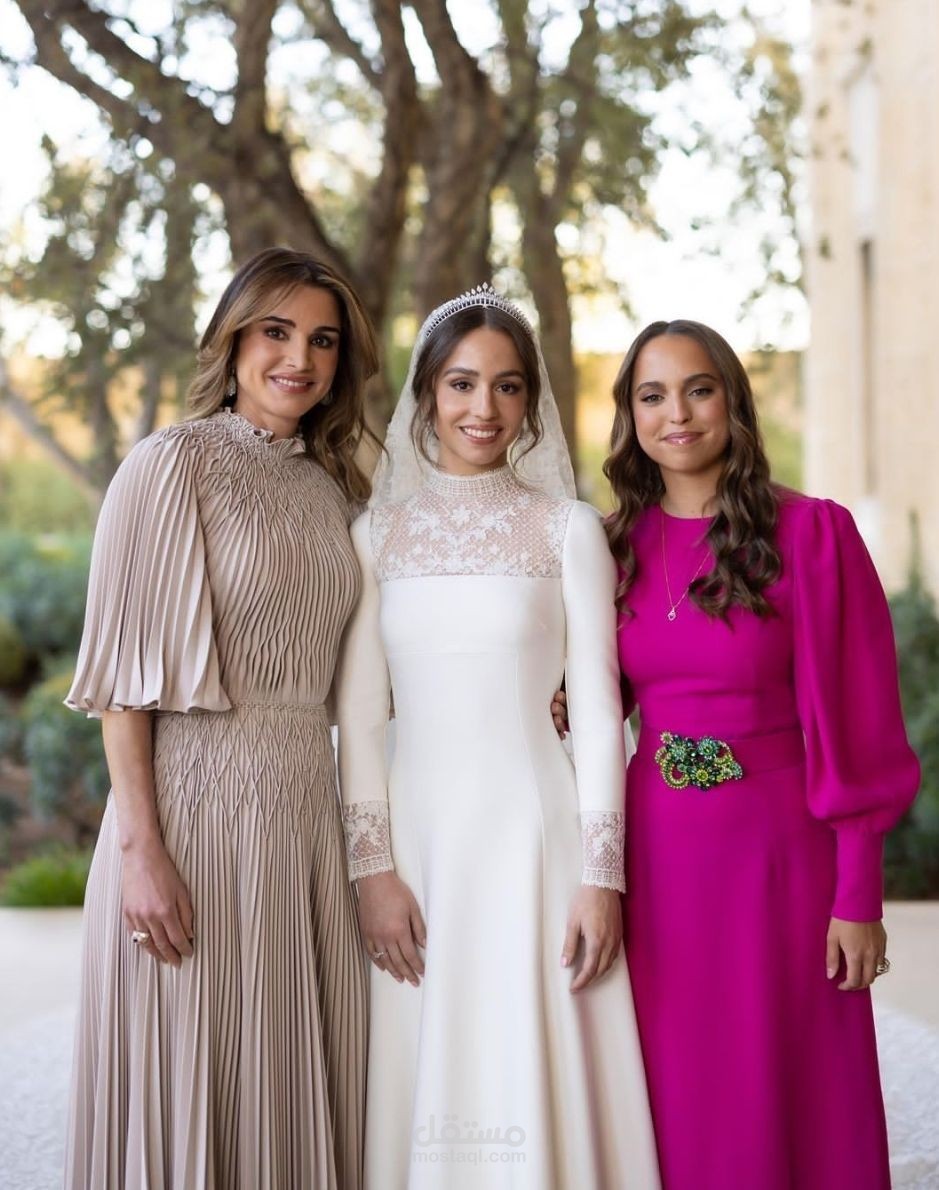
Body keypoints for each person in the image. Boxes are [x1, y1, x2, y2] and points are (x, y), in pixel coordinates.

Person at [64, 247, 379, 1189]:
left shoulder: (336, 489)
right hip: (190, 818)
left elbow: (373, 662)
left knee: (291, 1085)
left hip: (305, 818)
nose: (300, 358)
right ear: (233, 340)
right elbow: (123, 687)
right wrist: (140, 852)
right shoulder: (170, 464)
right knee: (192, 1072)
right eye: (276, 331)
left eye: (322, 340)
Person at [335, 284, 660, 1189]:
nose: (484, 408)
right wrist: (371, 870)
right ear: (427, 393)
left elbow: (597, 709)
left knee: (539, 1055)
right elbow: (359, 717)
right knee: (430, 1062)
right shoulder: (375, 535)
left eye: (507, 386)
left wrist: (601, 875)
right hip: (417, 849)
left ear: (530, 401)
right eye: (462, 383)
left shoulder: (568, 530)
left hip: (537, 843)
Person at [604, 319, 920, 1189]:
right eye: (652, 396)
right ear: (630, 416)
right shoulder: (608, 547)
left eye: (697, 389)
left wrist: (857, 893)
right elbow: (595, 700)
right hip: (658, 859)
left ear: (731, 401)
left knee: (796, 1083)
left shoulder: (812, 534)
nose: (676, 414)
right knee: (683, 1087)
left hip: (780, 856)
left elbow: (859, 723)